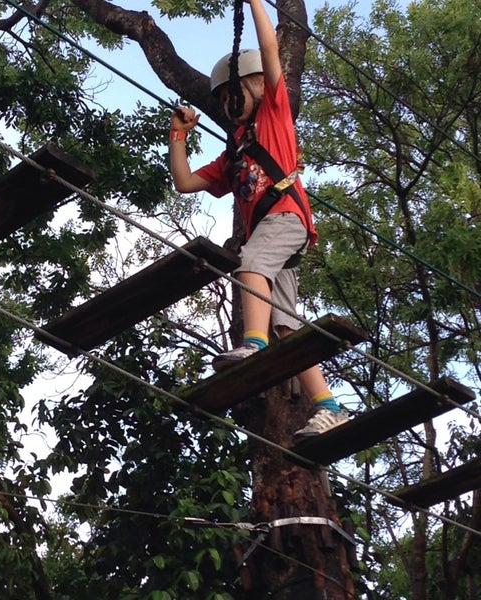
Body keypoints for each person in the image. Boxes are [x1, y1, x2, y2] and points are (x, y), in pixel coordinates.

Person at [168, 0, 348, 440]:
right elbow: (186, 183)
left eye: (235, 94)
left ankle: (253, 344)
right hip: (277, 231)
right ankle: (330, 408)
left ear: (256, 89)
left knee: (250, 264)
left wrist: (253, 2)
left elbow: (270, 50)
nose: (230, 104)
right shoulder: (232, 157)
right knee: (287, 325)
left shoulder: (274, 115)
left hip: (286, 219)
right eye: (223, 100)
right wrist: (178, 135)